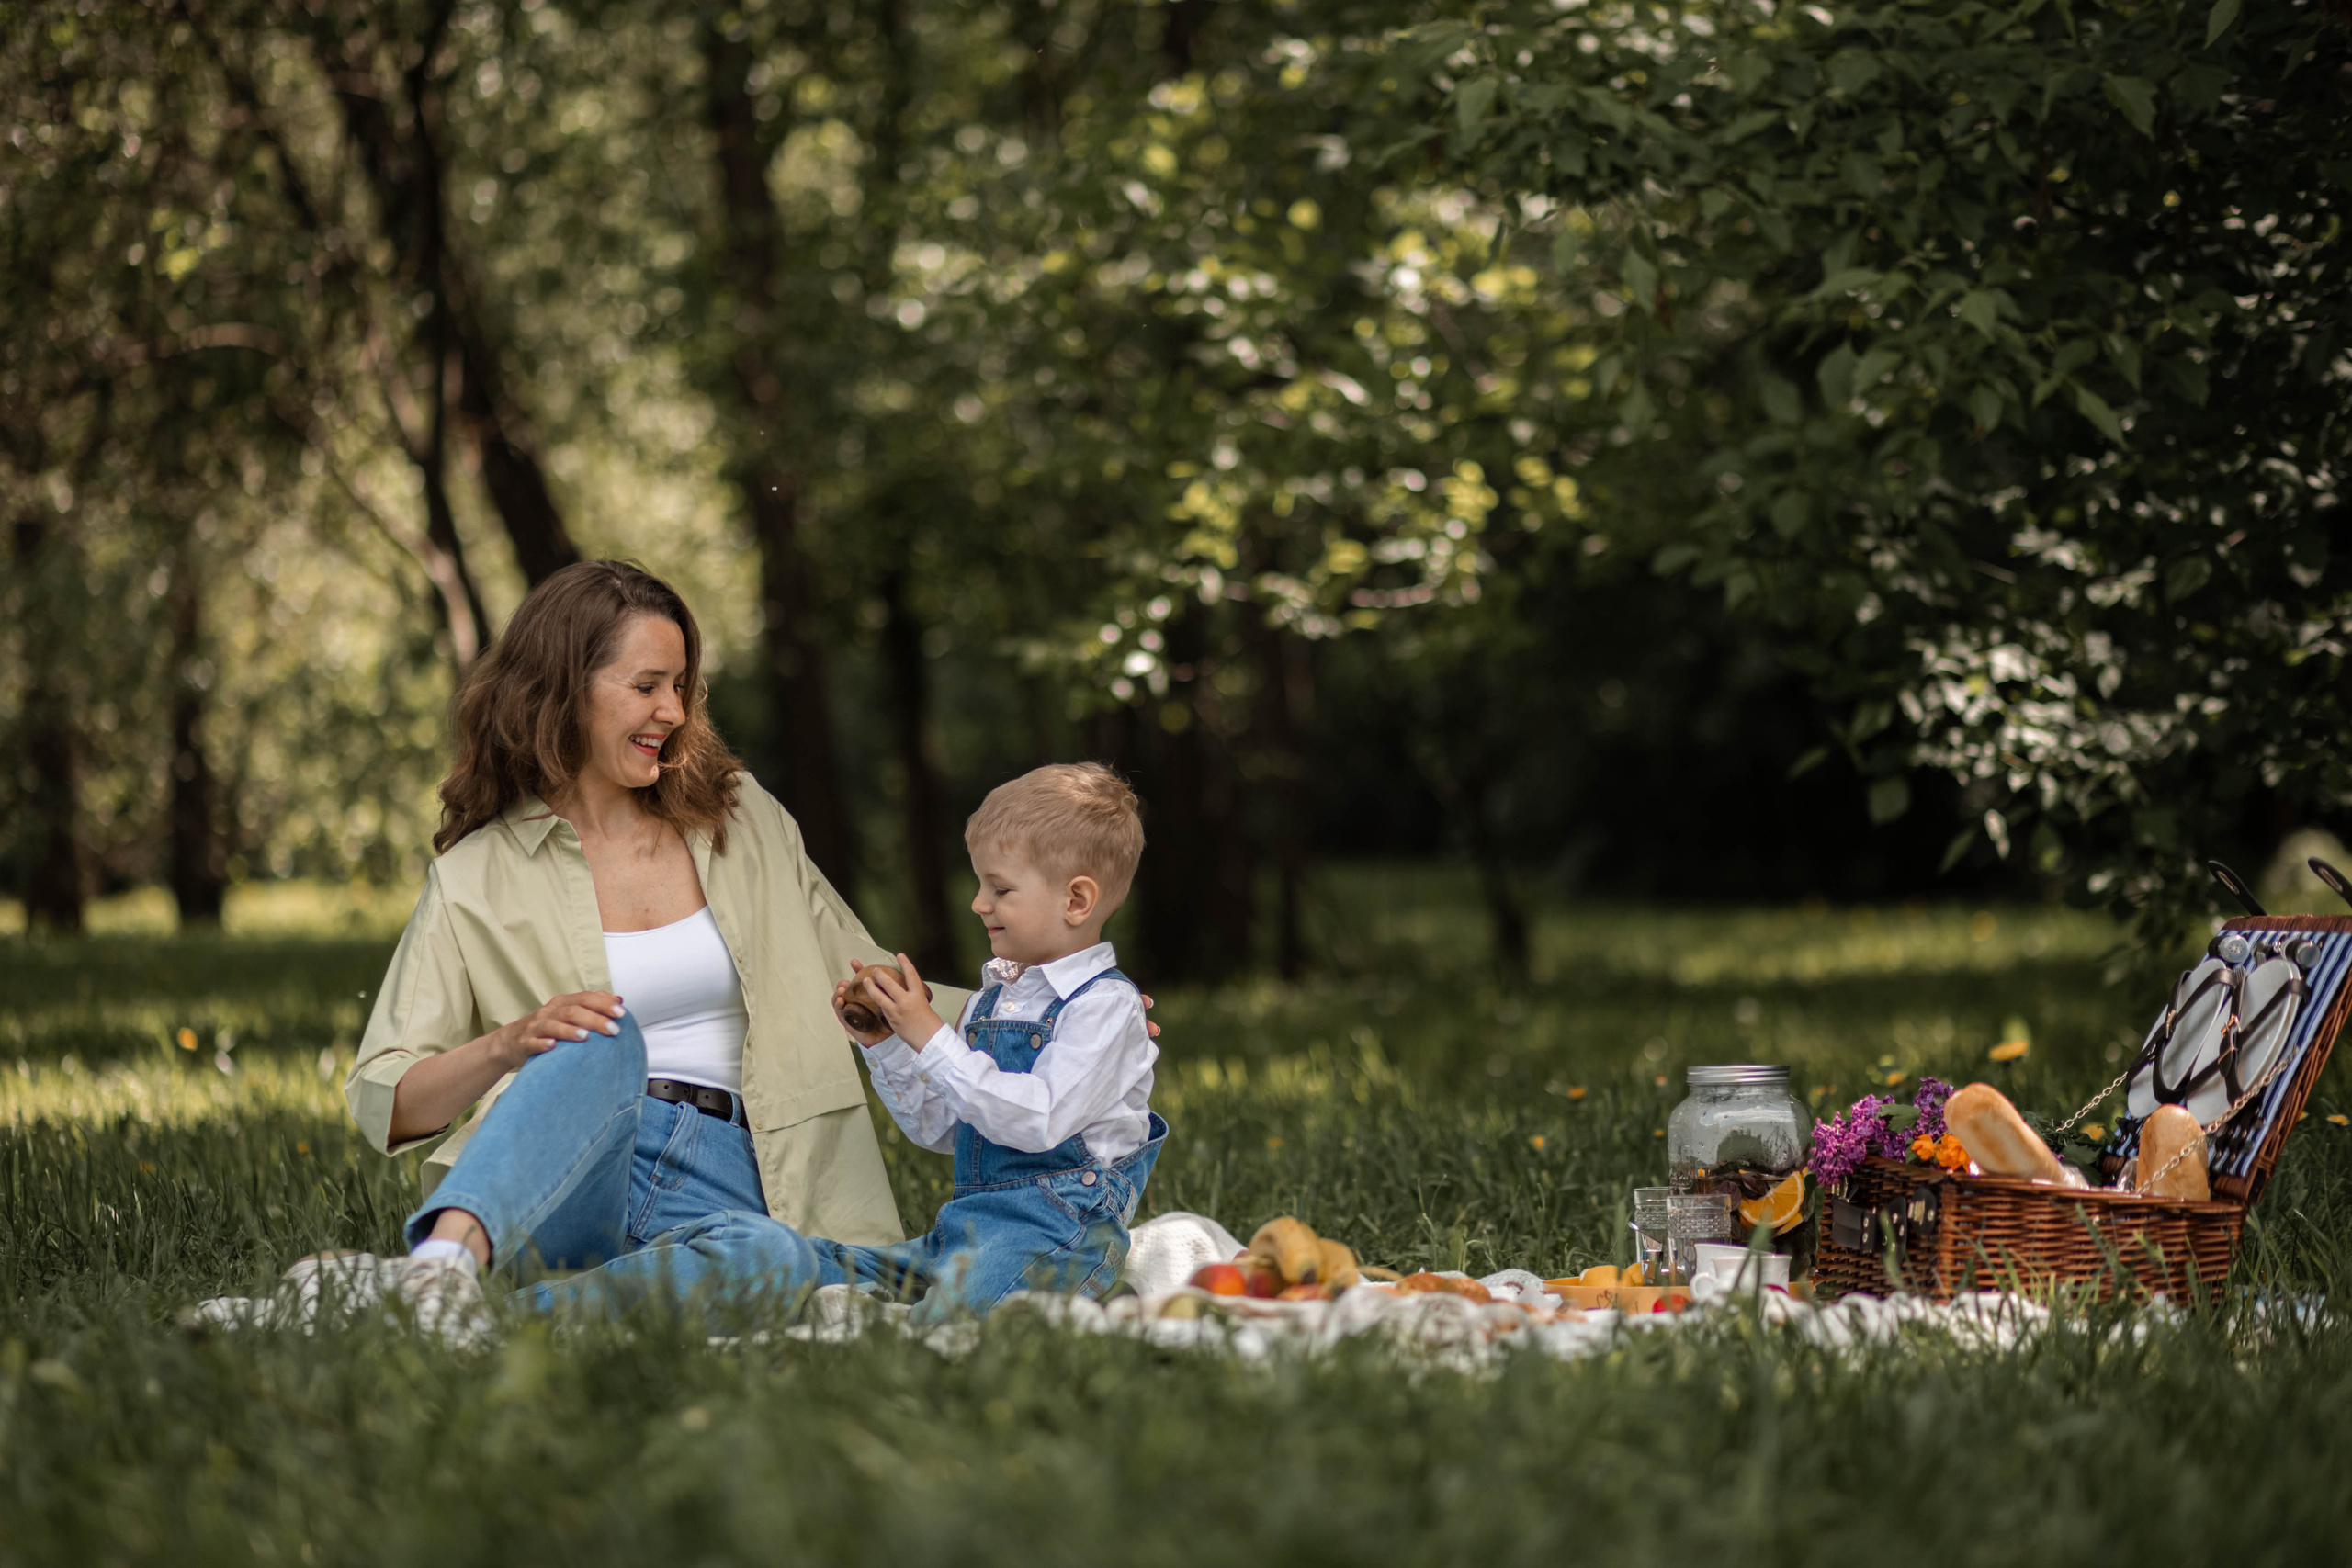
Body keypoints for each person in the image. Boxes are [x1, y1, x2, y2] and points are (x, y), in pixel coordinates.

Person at [193, 559, 1150, 1339]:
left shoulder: (742, 824)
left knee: (771, 1264)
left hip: (732, 1176)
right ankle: (442, 1269)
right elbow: (384, 1100)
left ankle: (445, 1320)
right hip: (563, 1172)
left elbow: (875, 982)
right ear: (561, 690)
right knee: (601, 1036)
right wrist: (510, 1043)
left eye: (682, 688)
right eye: (646, 685)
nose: (673, 713)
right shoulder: (476, 876)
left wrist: (1052, 1006)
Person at [519, 761, 1165, 1323]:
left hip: (1059, 1230)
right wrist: (886, 1046)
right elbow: (943, 1128)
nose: (977, 903)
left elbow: (1036, 1119)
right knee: (815, 1263)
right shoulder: (998, 998)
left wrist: (930, 1034)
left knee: (949, 1326)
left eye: (999, 888)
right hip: (970, 1227)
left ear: (1077, 899)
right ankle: (654, 1273)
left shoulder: (1105, 1008)